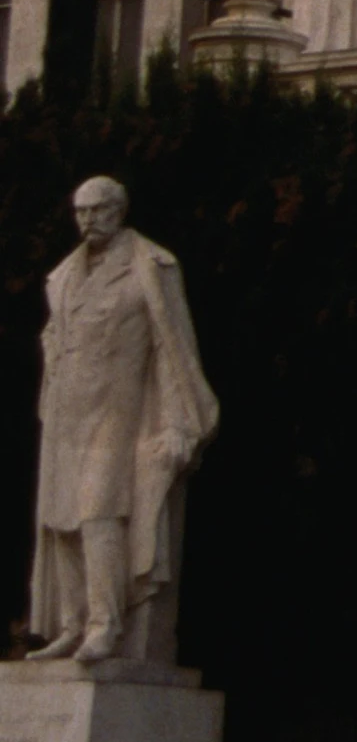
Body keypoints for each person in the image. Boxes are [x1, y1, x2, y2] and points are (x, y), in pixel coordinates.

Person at [27, 178, 218, 667]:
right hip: (65, 416)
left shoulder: (149, 265)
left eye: (97, 210)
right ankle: (72, 624)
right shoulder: (64, 275)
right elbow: (56, 334)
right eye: (80, 211)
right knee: (61, 518)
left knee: (99, 512)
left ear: (119, 210)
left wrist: (176, 422)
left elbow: (171, 348)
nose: (88, 220)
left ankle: (105, 623)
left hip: (120, 414)